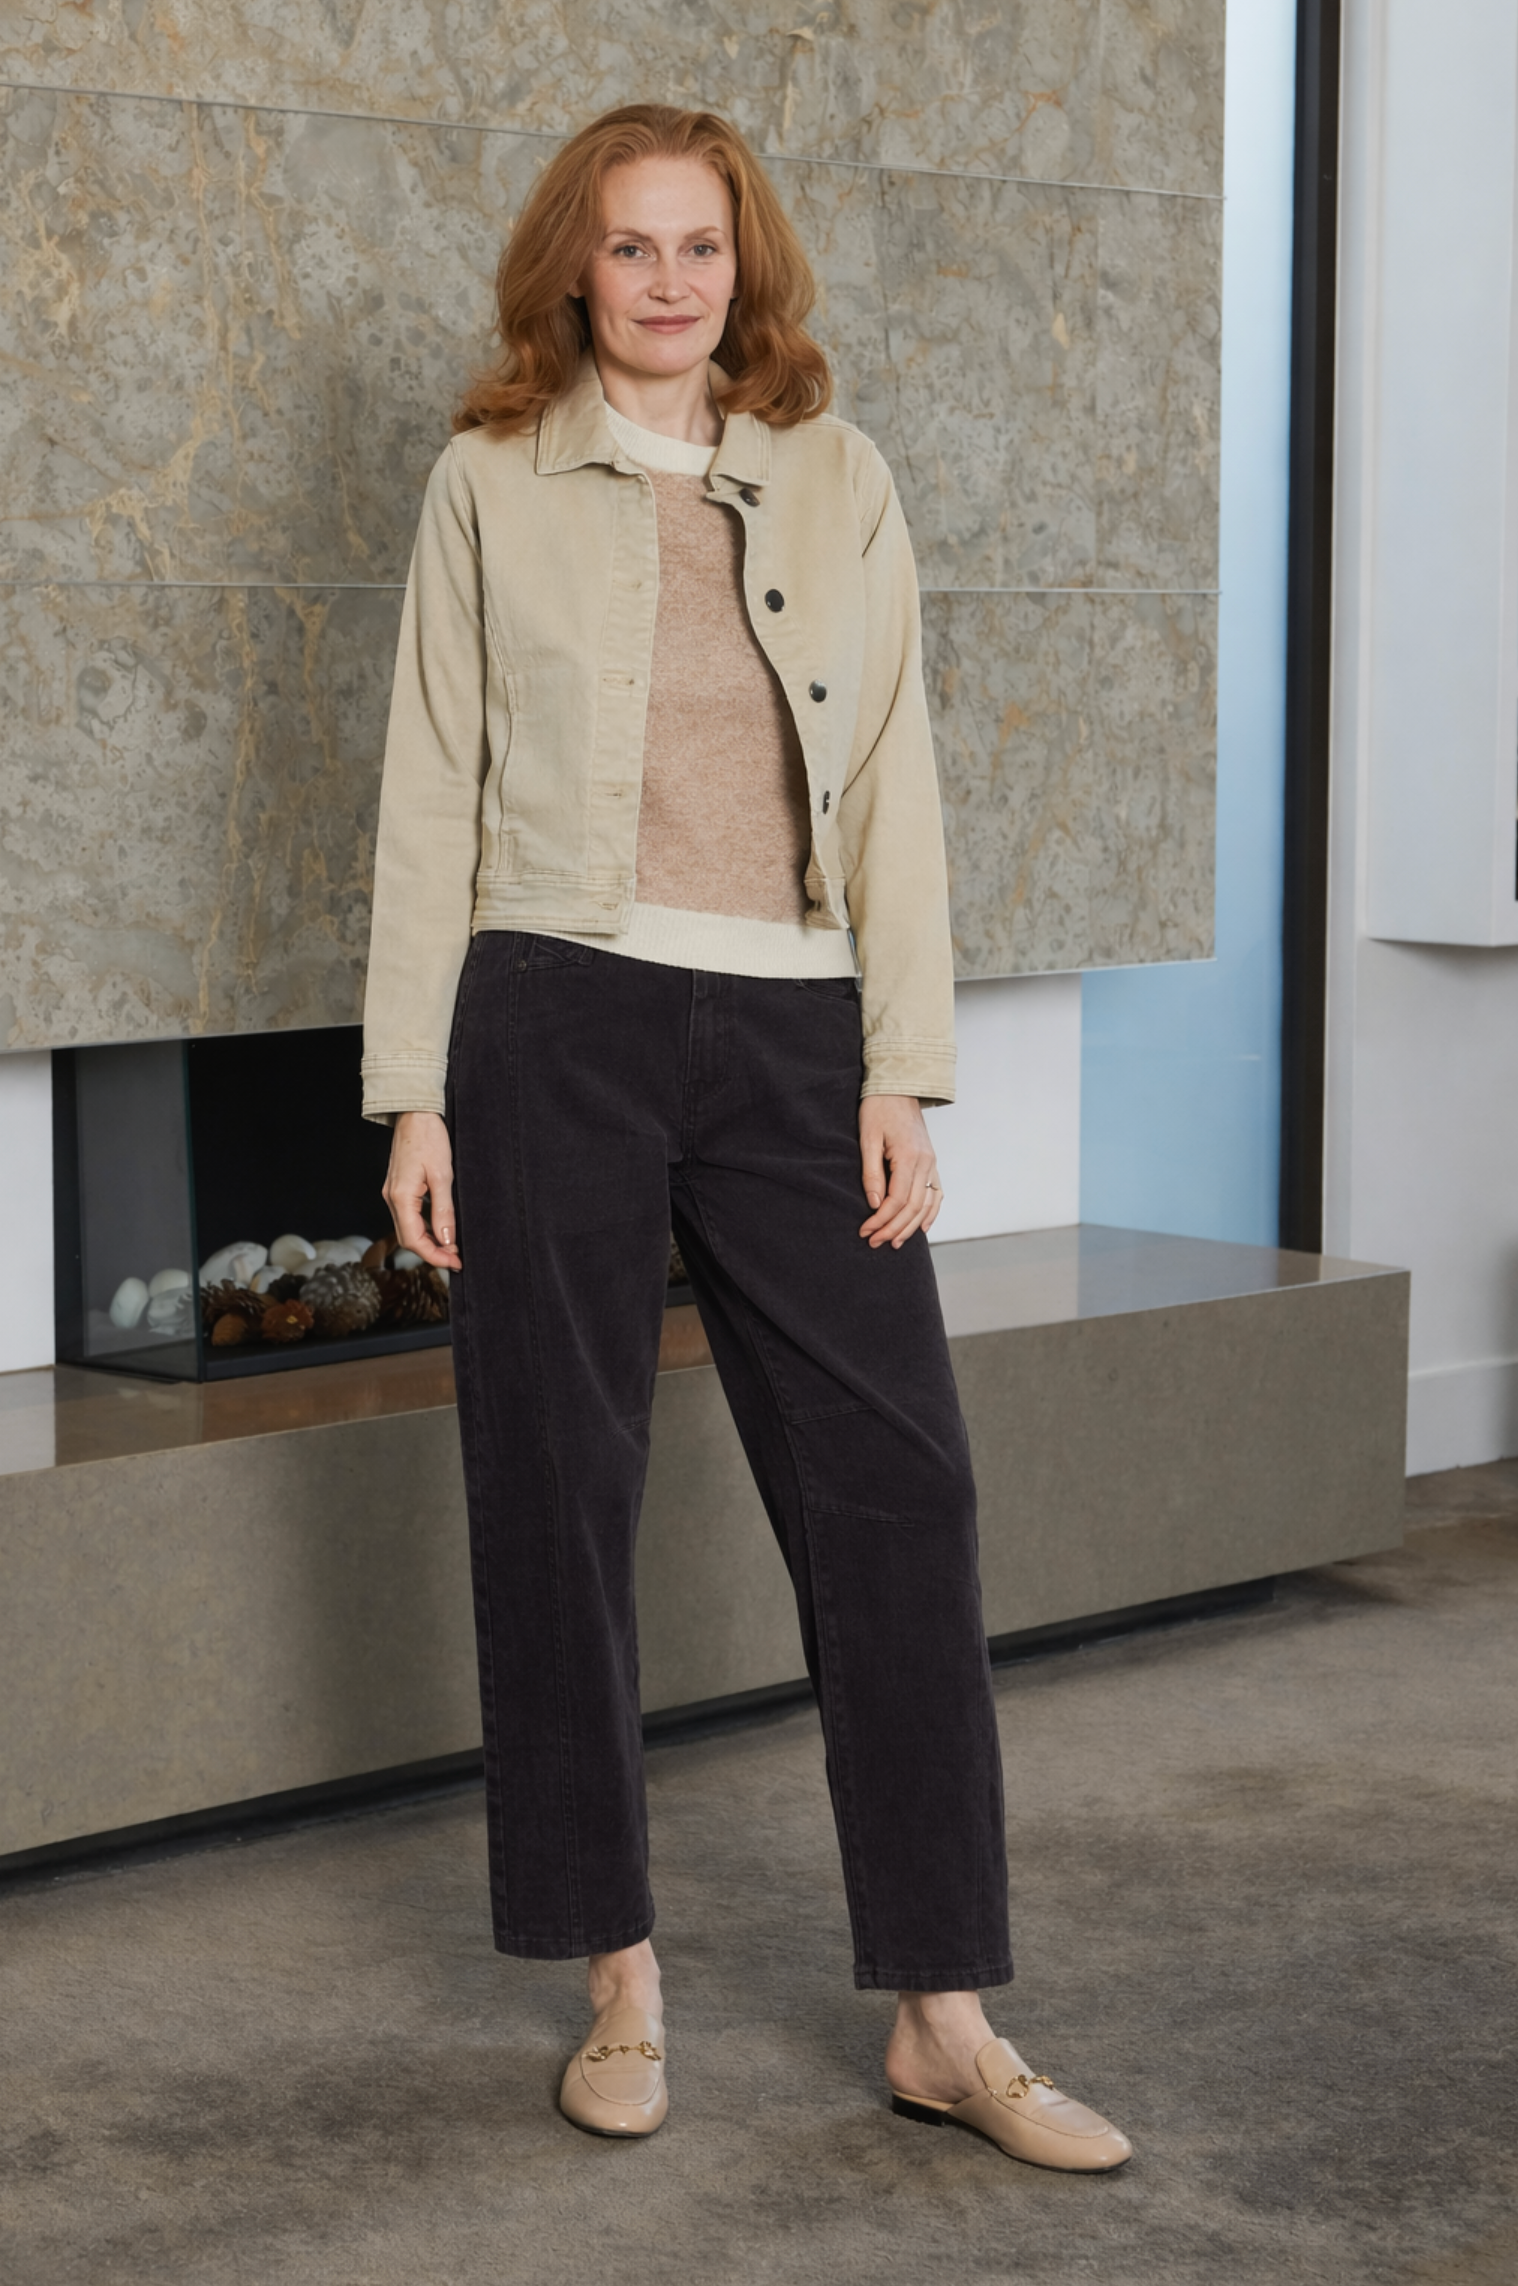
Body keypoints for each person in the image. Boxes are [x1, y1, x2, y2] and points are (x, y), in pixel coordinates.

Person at [361, 101, 1129, 2173]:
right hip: (554, 1016)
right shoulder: (487, 483)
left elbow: (894, 783)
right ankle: (617, 1973)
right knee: (560, 1488)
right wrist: (413, 1085)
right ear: (575, 268)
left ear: (744, 266)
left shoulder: (836, 477)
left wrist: (902, 1066)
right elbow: (430, 783)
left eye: (698, 245)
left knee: (901, 1489)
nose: (669, 280)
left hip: (796, 1034)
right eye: (630, 246)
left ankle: (945, 2013)